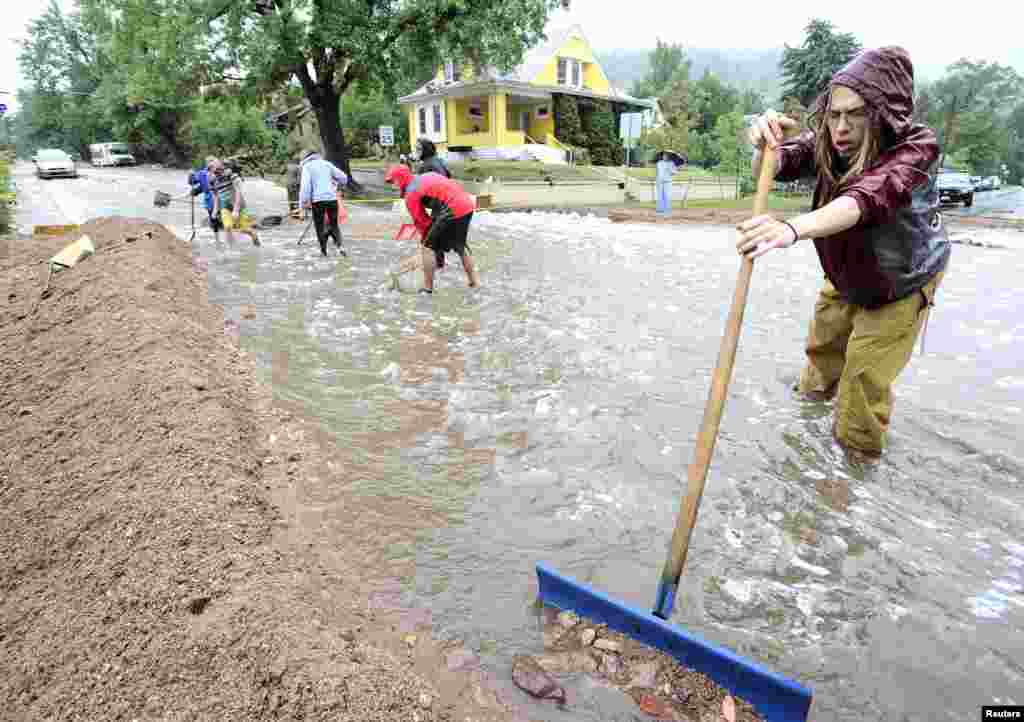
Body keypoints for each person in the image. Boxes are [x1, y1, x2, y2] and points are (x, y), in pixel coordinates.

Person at [736, 46, 951, 456]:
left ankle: (848, 487)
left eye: (855, 114)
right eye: (834, 114)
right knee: (817, 372)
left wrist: (790, 229)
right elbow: (775, 165)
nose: (840, 127)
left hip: (899, 283)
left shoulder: (915, 149)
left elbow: (863, 200)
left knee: (859, 398)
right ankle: (804, 458)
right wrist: (766, 147)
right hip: (846, 274)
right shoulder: (829, 142)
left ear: (884, 113)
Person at [384, 165, 480, 294]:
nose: (392, 186)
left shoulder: (411, 194)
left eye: (393, 181)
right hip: (467, 204)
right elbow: (441, 195)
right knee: (460, 246)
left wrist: (428, 243)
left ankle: (427, 288)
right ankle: (474, 281)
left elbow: (422, 221)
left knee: (427, 247)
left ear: (401, 178)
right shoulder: (425, 177)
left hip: (451, 208)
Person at [299, 149, 349, 257]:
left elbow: (305, 188)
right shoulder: (327, 164)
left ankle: (323, 251)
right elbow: (344, 178)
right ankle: (340, 247)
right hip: (332, 199)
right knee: (334, 225)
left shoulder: (307, 167)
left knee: (319, 226)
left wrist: (303, 205)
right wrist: (337, 185)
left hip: (318, 201)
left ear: (305, 158)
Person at [209, 158, 260, 246]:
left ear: (220, 166)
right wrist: (215, 209)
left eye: (217, 168)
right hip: (225, 206)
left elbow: (238, 192)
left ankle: (254, 236)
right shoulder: (212, 180)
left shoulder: (231, 175)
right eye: (211, 168)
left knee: (244, 229)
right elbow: (216, 195)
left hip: (239, 206)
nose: (215, 171)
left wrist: (236, 209)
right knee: (227, 227)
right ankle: (231, 250)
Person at [189, 156, 220, 240]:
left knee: (219, 218)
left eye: (213, 162)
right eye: (209, 162)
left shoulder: (220, 172)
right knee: (214, 220)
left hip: (221, 198)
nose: (212, 164)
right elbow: (193, 182)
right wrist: (191, 175)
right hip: (210, 200)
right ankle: (217, 239)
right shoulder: (202, 173)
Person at [654, 151, 678, 216]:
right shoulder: (659, 163)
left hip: (667, 182)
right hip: (660, 181)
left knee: (667, 196)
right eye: (664, 155)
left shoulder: (671, 163)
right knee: (659, 196)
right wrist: (656, 180)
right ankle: (659, 210)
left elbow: (675, 172)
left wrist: (670, 169)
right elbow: (657, 172)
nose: (665, 157)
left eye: (666, 155)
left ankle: (667, 210)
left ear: (669, 156)